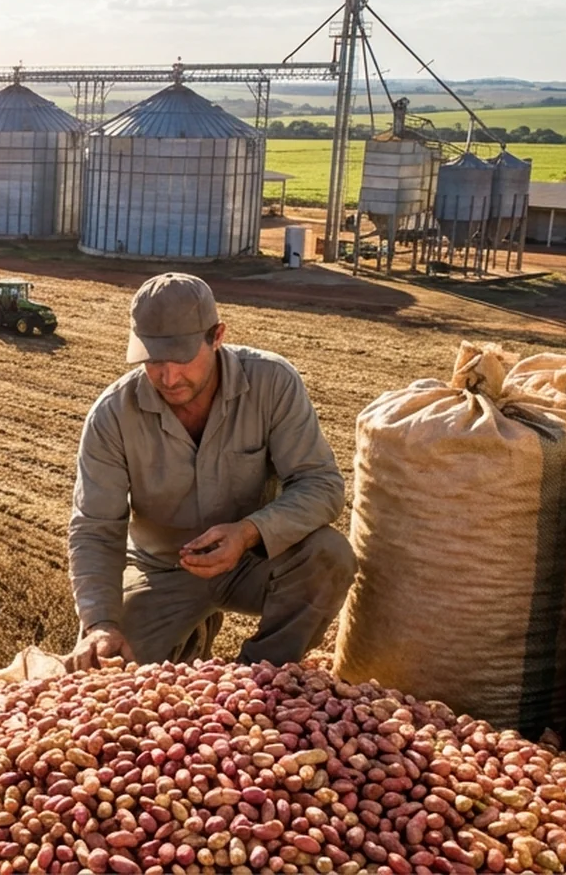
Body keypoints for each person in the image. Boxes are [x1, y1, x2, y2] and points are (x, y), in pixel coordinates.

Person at [67, 272, 354, 668]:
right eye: (154, 361)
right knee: (107, 669)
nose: (169, 378)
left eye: (182, 359)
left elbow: (321, 485)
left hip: (253, 559)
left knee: (329, 556)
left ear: (217, 336)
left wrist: (250, 532)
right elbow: (95, 528)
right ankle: (190, 632)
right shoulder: (113, 415)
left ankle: (260, 676)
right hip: (161, 570)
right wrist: (99, 623)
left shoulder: (272, 383)